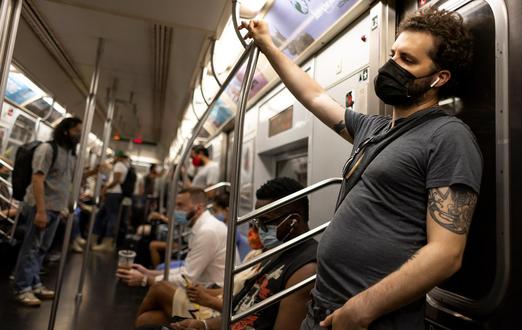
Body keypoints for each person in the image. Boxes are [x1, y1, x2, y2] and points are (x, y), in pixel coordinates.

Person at [240, 8, 482, 329]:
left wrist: (362, 309)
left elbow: (445, 253)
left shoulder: (447, 137)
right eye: (393, 54)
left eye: (408, 61)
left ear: (439, 78)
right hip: (322, 309)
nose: (392, 65)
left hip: (372, 319)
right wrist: (268, 44)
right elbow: (313, 96)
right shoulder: (372, 129)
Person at [137, 177, 317, 330]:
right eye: (257, 221)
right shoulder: (274, 253)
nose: (259, 229)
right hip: (227, 321)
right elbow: (239, 307)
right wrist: (204, 326)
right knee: (147, 321)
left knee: (159, 292)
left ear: (294, 221)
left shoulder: (305, 269)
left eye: (266, 222)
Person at [12, 117, 84, 306]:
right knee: (31, 248)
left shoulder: (70, 154)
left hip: (55, 209)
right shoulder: (47, 149)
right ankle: (22, 288)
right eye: (77, 131)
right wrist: (41, 211)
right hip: (40, 206)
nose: (79, 135)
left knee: (42, 248)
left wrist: (63, 208)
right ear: (66, 130)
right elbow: (38, 179)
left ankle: (34, 283)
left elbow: (64, 182)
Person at [117, 187, 238, 288]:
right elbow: (187, 269)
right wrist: (150, 273)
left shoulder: (208, 231)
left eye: (181, 206)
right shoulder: (202, 226)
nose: (176, 211)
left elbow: (187, 279)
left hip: (216, 292)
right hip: (205, 285)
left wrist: (144, 279)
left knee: (157, 293)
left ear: (199, 208)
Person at [92, 149, 130, 251]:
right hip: (115, 193)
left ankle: (107, 242)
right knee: (101, 215)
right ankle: (94, 239)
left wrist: (106, 188)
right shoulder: (124, 166)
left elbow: (116, 180)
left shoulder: (118, 165)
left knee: (111, 217)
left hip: (114, 193)